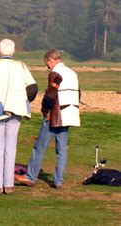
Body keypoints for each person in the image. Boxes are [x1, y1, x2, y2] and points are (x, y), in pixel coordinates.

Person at [0, 39, 38, 195]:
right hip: (16, 110)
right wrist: (22, 102)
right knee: (11, 148)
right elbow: (33, 89)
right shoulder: (22, 66)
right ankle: (9, 185)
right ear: (14, 50)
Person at [16, 50, 80, 189]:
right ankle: (58, 181)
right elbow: (78, 94)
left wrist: (45, 110)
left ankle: (30, 177)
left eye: (47, 63)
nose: (47, 67)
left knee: (39, 147)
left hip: (55, 116)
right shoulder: (72, 73)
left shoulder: (55, 74)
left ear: (51, 60)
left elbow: (51, 94)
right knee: (62, 149)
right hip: (69, 114)